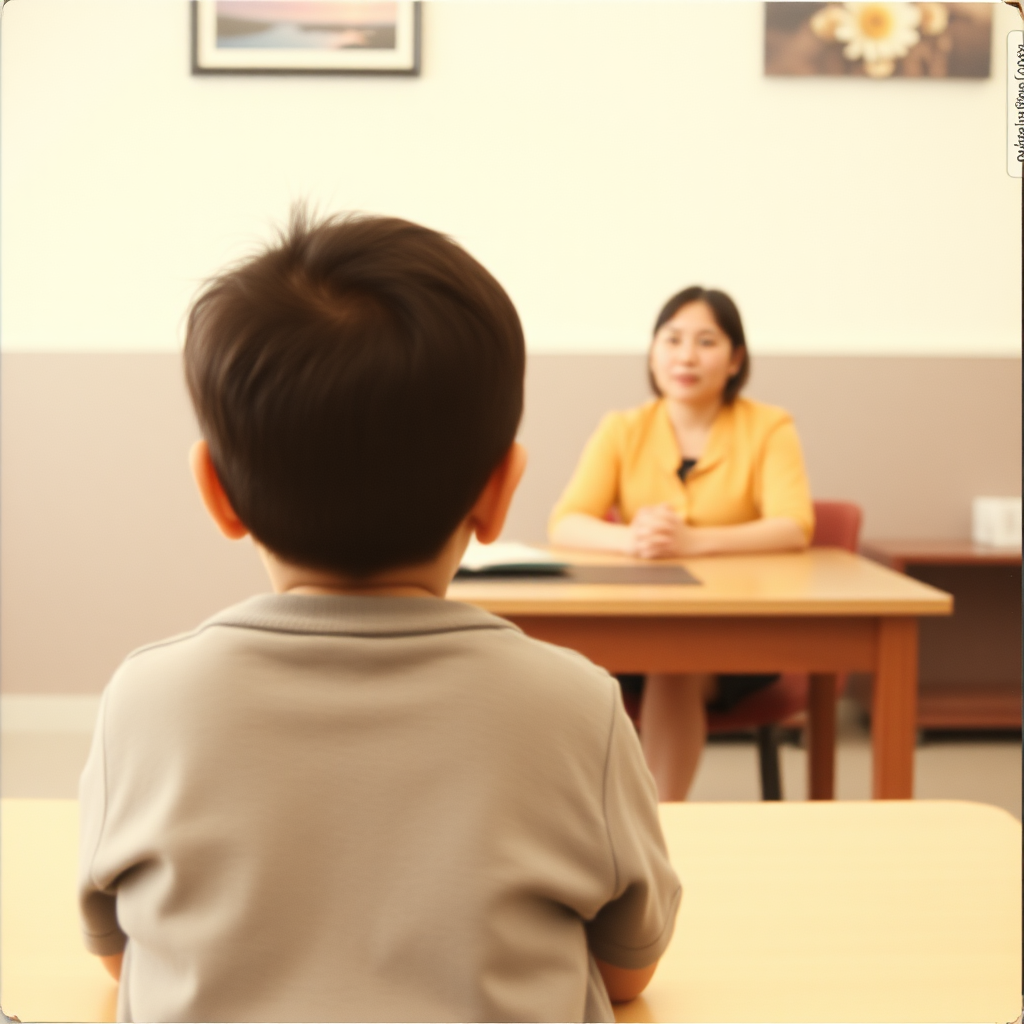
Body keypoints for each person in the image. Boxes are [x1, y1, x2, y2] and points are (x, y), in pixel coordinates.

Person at [77, 211, 681, 1023]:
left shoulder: (144, 701)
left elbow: (119, 954)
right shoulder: (577, 706)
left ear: (216, 492)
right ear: (501, 491)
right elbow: (625, 971)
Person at [548, 286, 814, 802]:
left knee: (676, 658)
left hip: (743, 633)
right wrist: (632, 540)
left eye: (706, 341)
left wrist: (695, 541)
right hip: (639, 626)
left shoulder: (768, 426)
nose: (686, 355)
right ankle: (634, 827)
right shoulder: (622, 428)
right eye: (671, 339)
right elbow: (566, 522)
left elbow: (794, 526)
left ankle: (656, 824)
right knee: (663, 652)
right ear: (653, 352)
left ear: (736, 358)